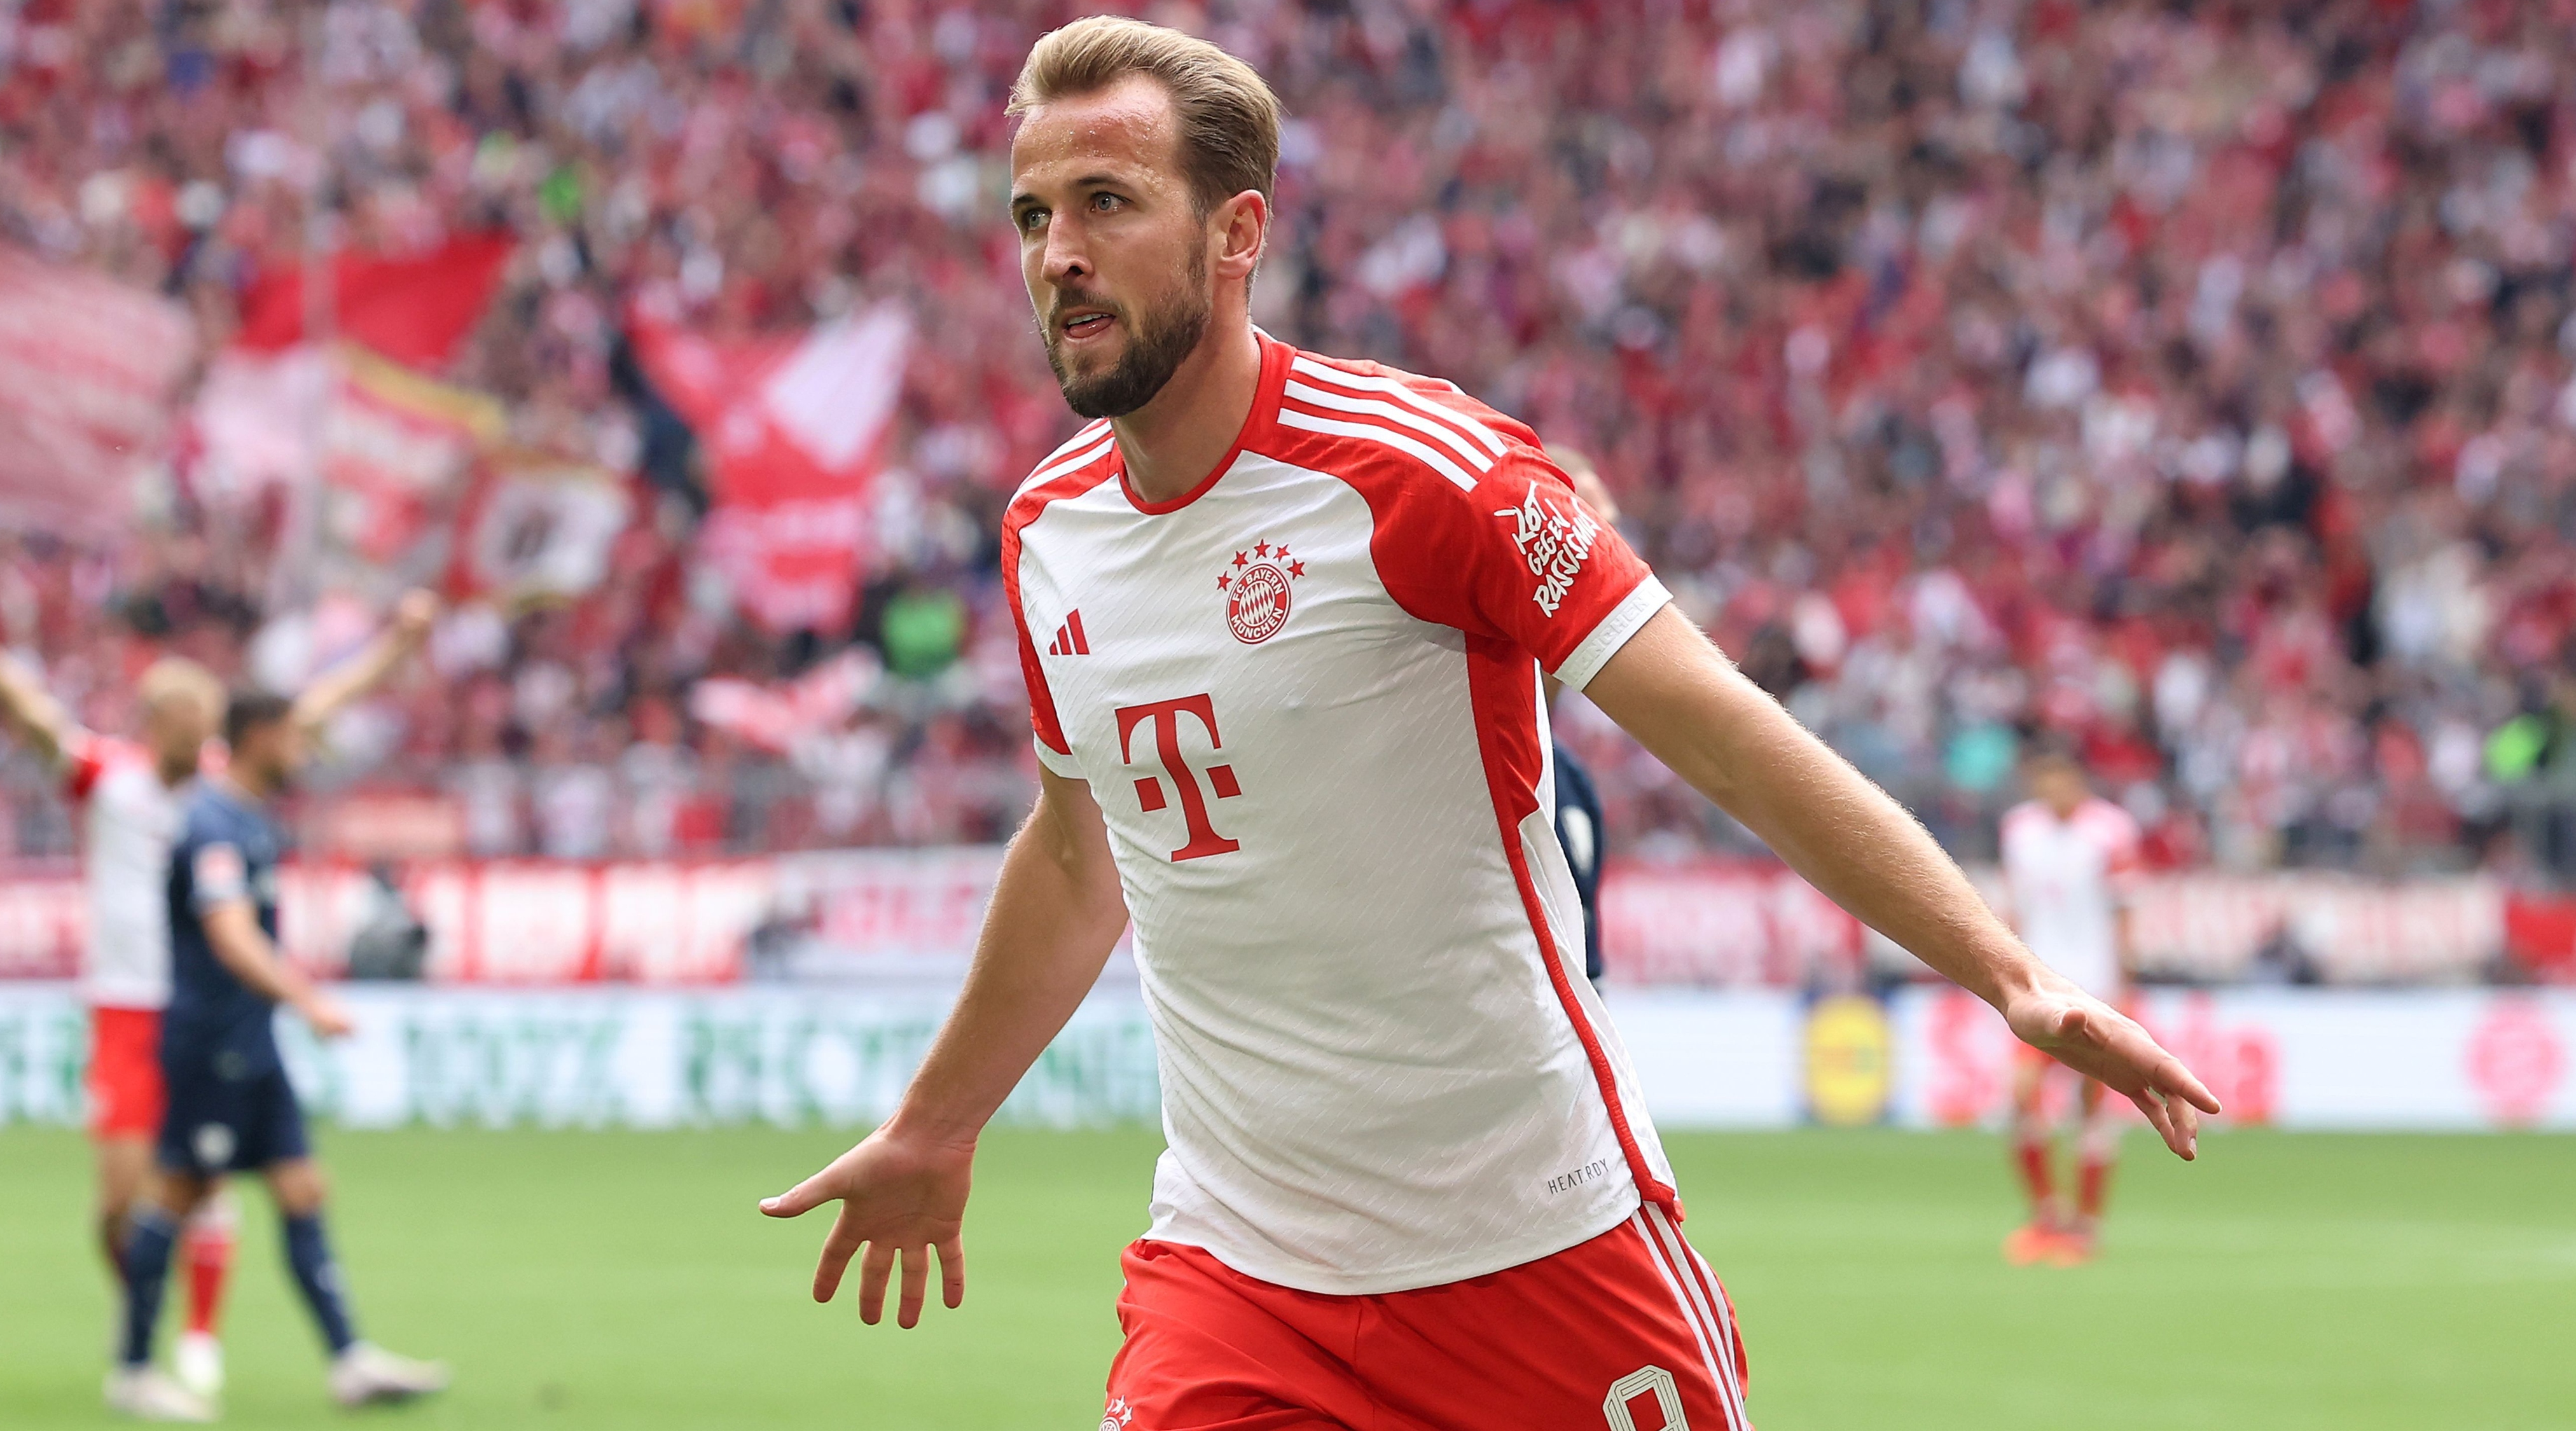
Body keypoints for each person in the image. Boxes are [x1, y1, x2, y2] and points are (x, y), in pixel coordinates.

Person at [761, 19, 2219, 1431]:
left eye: (1105, 202)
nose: (1056, 253)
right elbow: (1082, 856)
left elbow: (1715, 728)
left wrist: (2009, 978)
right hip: (1237, 1278)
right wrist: (939, 1121)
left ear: (1235, 232)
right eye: (1029, 213)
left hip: (1537, 1252)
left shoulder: (1433, 477)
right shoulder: (1045, 534)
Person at [1, 593, 436, 1416]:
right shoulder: (110, 777)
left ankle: (198, 1340)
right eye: (184, 714)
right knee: (125, 1203)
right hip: (130, 1007)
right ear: (153, 719)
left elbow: (315, 707)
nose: (198, 727)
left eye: (206, 714)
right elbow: (27, 708)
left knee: (230, 1183)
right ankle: (143, 1331)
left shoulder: (220, 783)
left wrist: (397, 641)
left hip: (200, 1008)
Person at [109, 661, 449, 1419]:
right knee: (177, 1193)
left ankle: (350, 1361)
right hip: (212, 1043)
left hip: (251, 1041)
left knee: (302, 1187)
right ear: (259, 736)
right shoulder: (213, 825)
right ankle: (132, 1369)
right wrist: (309, 1000)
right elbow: (230, 937)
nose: (304, 746)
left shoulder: (249, 815)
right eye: (293, 734)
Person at [1996, 743, 2146, 1268]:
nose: (2050, 792)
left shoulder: (2111, 831)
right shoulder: (2020, 831)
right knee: (2020, 1097)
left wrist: (2124, 986)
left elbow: (2124, 909)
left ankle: (2085, 1227)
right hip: (2038, 986)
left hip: (2096, 986)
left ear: (2077, 782)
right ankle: (2046, 1215)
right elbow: (2017, 908)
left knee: (2090, 1103)